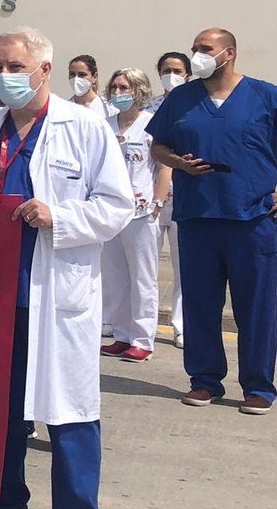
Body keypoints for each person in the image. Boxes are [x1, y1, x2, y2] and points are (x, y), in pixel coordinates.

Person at [0, 25, 130, 509]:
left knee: (70, 413)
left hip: (56, 294)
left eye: (14, 67)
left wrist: (60, 216)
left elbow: (116, 205)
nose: (2, 77)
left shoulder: (84, 126)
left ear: (45, 70)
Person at [148, 28, 277, 415]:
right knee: (202, 304)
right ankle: (205, 381)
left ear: (229, 53)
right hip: (198, 215)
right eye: (194, 49)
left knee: (256, 305)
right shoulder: (183, 99)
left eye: (204, 49)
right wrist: (179, 163)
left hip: (252, 217)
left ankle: (258, 386)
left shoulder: (264, 96)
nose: (197, 55)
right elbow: (158, 146)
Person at [98, 69, 170, 363]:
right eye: (114, 87)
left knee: (142, 279)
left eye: (124, 87)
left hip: (141, 212)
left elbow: (164, 167)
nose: (118, 92)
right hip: (111, 211)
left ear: (139, 90)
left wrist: (158, 202)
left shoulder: (152, 124)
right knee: (115, 277)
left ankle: (143, 339)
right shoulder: (104, 125)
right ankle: (122, 335)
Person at [150, 50, 191, 347]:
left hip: (183, 197)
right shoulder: (149, 107)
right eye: (166, 69)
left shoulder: (193, 105)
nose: (171, 74)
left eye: (177, 70)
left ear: (187, 73)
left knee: (183, 266)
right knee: (146, 266)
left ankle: (181, 325)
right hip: (149, 199)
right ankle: (143, 324)